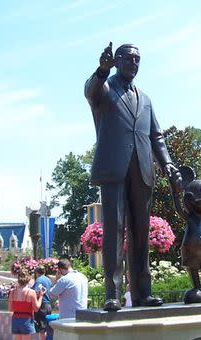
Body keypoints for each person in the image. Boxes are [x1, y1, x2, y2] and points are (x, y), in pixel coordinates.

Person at [85, 42, 181, 311]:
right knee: (113, 231)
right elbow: (90, 91)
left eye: (138, 60)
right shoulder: (104, 89)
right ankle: (112, 293)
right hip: (113, 168)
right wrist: (101, 70)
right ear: (117, 60)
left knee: (140, 232)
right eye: (129, 59)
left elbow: (155, 136)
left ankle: (142, 293)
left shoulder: (146, 98)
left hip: (142, 169)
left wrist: (168, 165)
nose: (134, 64)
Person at [9, 270, 44, 340]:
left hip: (15, 318)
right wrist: (41, 297)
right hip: (26, 319)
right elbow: (36, 309)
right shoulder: (31, 292)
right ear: (28, 280)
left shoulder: (12, 292)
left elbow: (10, 308)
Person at [32, 266, 52, 340]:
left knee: (42, 329)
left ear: (37, 272)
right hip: (48, 305)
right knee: (47, 327)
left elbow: (36, 291)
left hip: (42, 305)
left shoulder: (39, 280)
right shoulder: (48, 280)